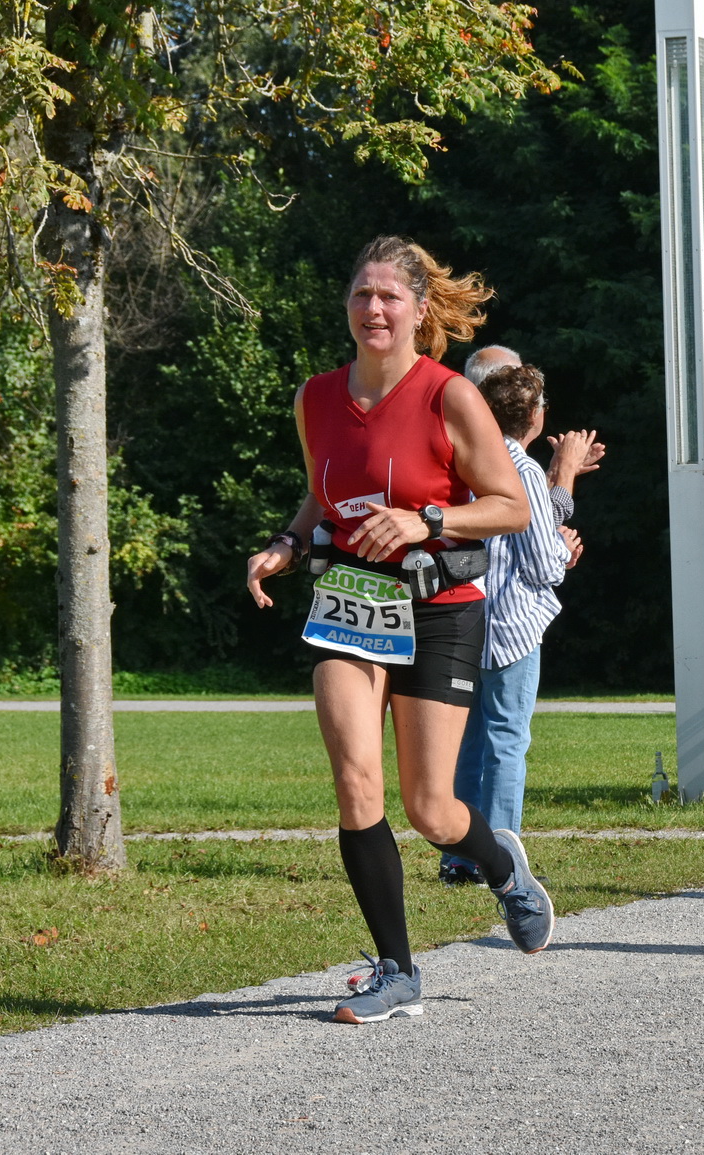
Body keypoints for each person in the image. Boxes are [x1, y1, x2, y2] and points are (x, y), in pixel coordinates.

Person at [244, 235, 553, 1023]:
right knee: (354, 783)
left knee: (431, 808)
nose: (373, 308)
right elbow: (322, 498)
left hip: (440, 608)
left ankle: (505, 870)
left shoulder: (450, 395)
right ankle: (397, 969)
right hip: (350, 601)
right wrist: (285, 543)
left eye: (389, 296)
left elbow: (512, 506)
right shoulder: (316, 397)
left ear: (419, 309)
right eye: (361, 294)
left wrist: (426, 520)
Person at [439, 358, 601, 885]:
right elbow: (542, 563)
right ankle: (501, 859)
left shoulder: (468, 460)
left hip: (463, 619)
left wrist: (563, 478)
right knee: (507, 742)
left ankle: (459, 857)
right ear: (534, 415)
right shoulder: (523, 471)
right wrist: (565, 550)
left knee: (467, 744)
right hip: (512, 626)